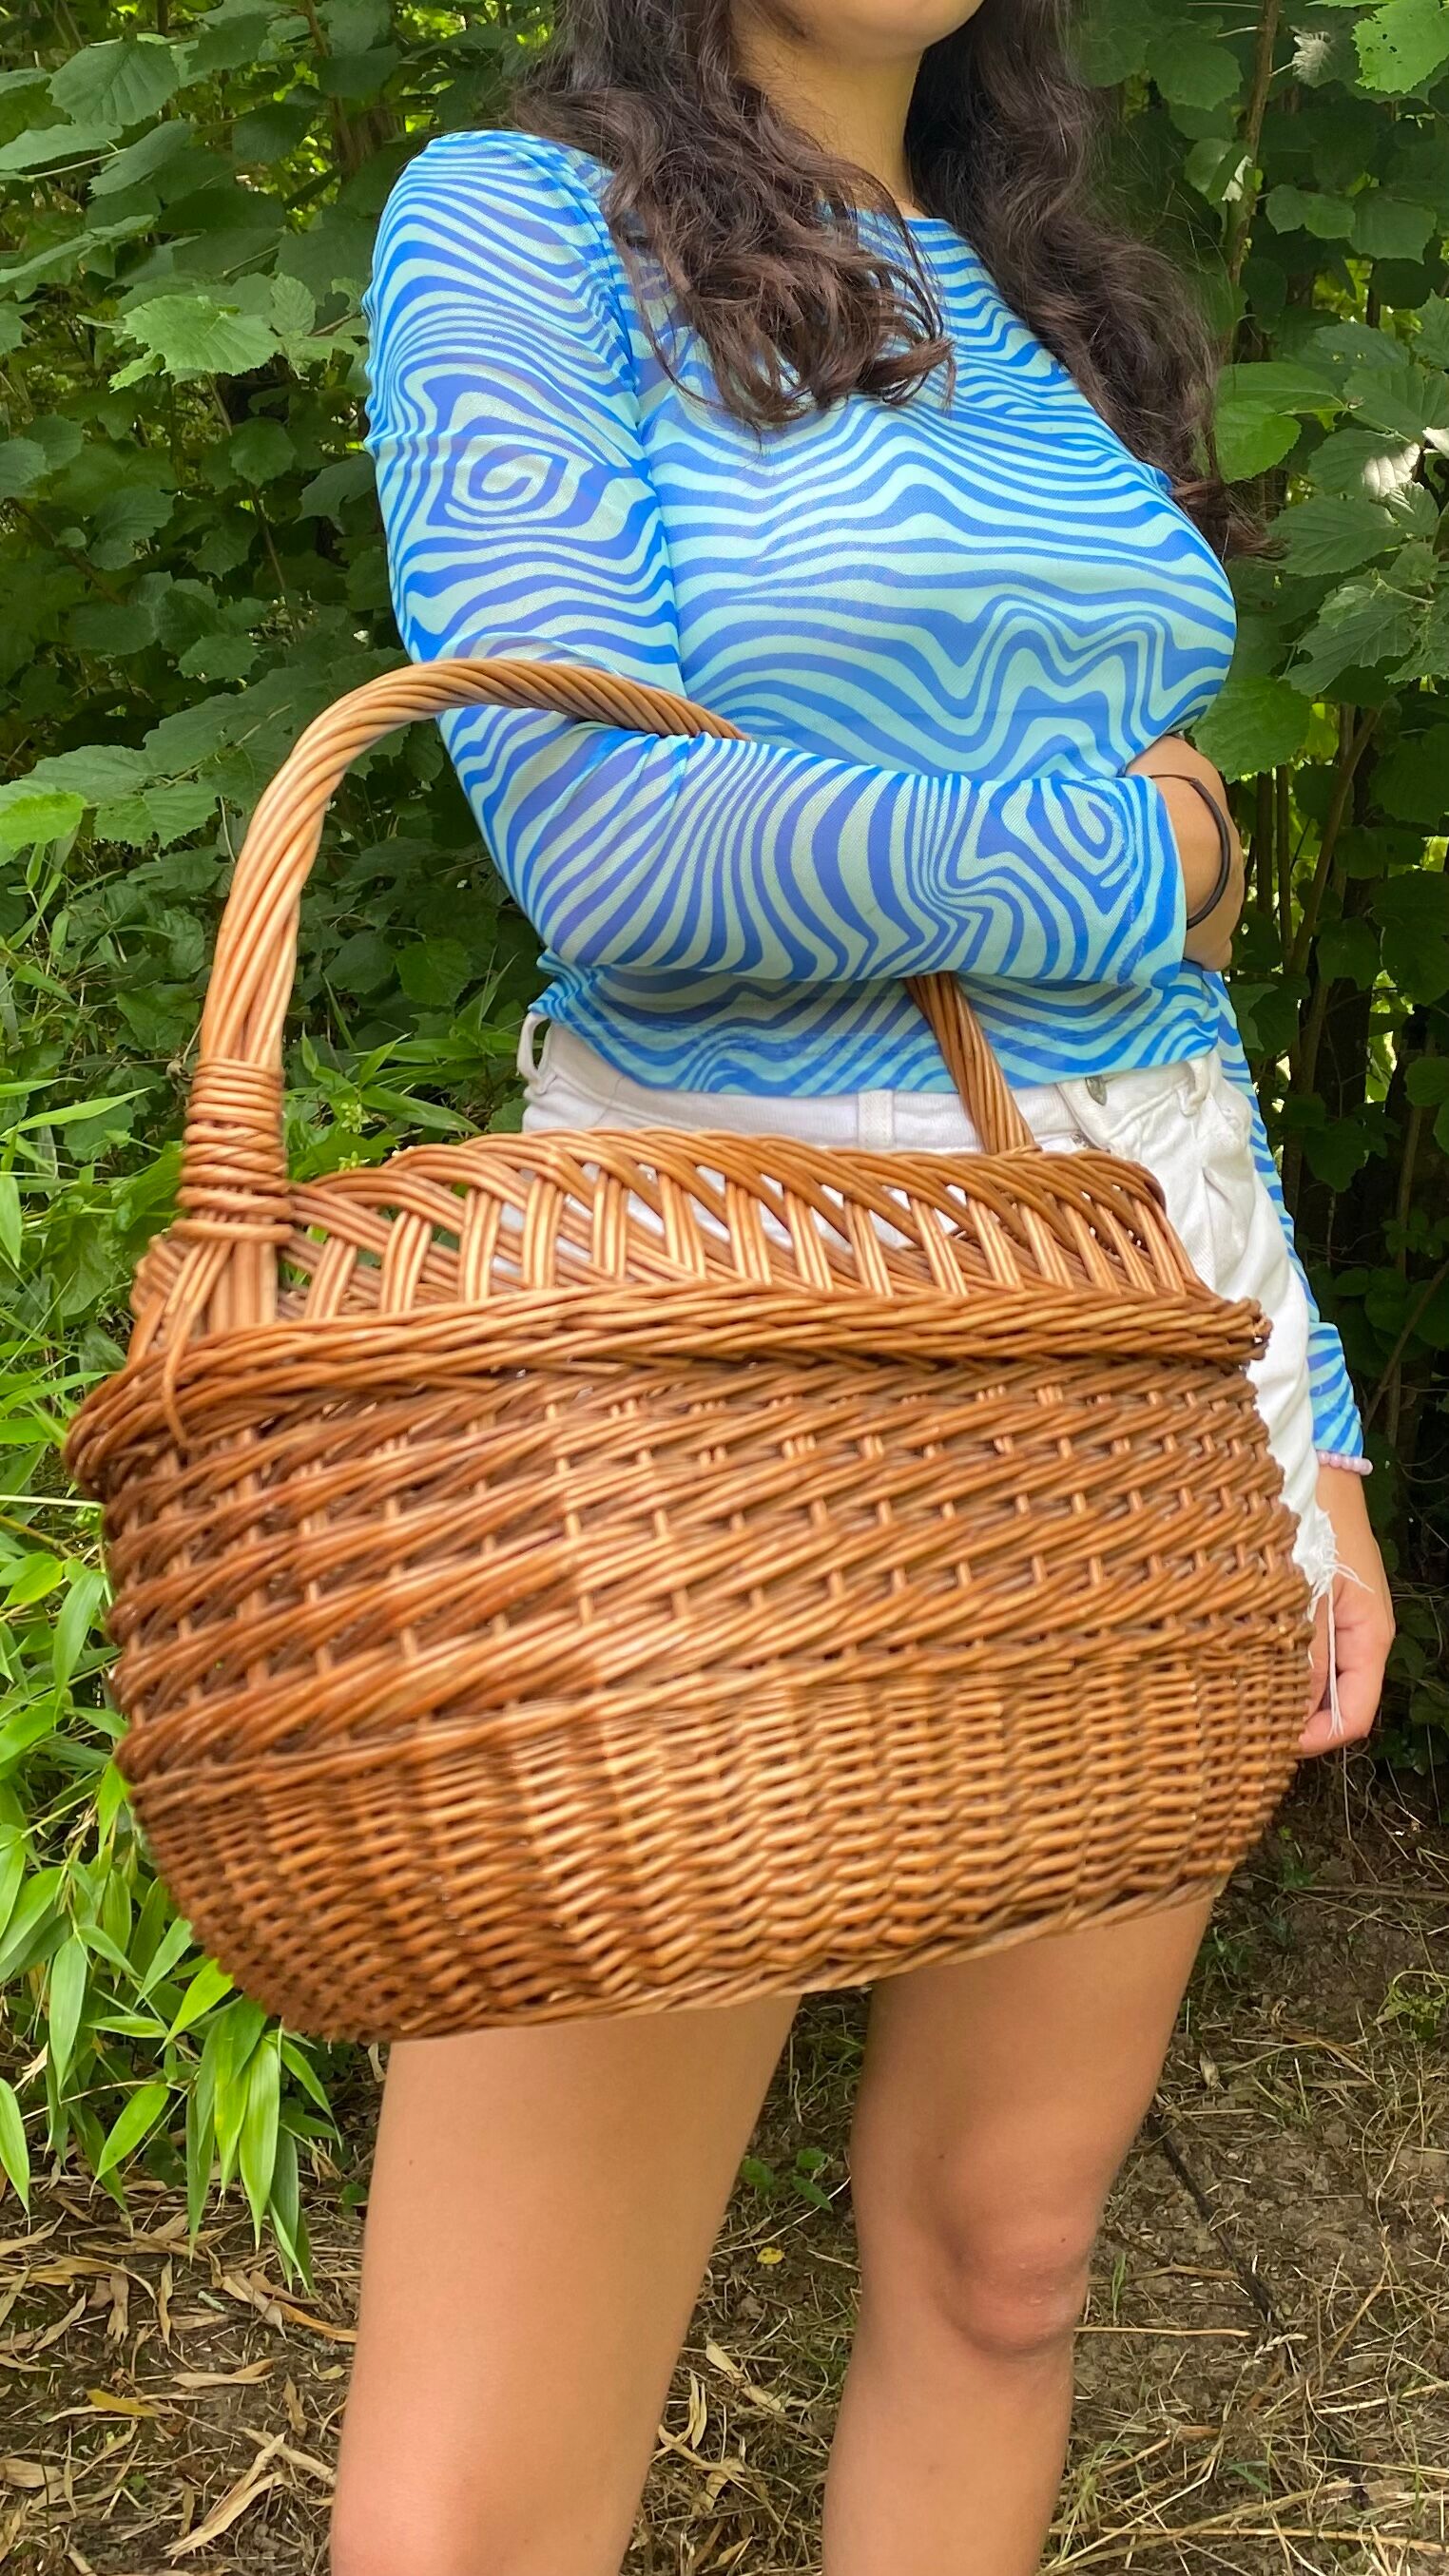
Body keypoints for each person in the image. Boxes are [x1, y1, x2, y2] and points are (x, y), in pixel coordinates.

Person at [334, 4, 1395, 2568]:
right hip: (731, 1341)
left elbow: (1141, 1013)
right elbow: (610, 846)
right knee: (489, 2469)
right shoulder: (513, 225)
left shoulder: (1039, 279)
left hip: (1157, 1338)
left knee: (1004, 2250)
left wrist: (1320, 1429)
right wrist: (1156, 854)